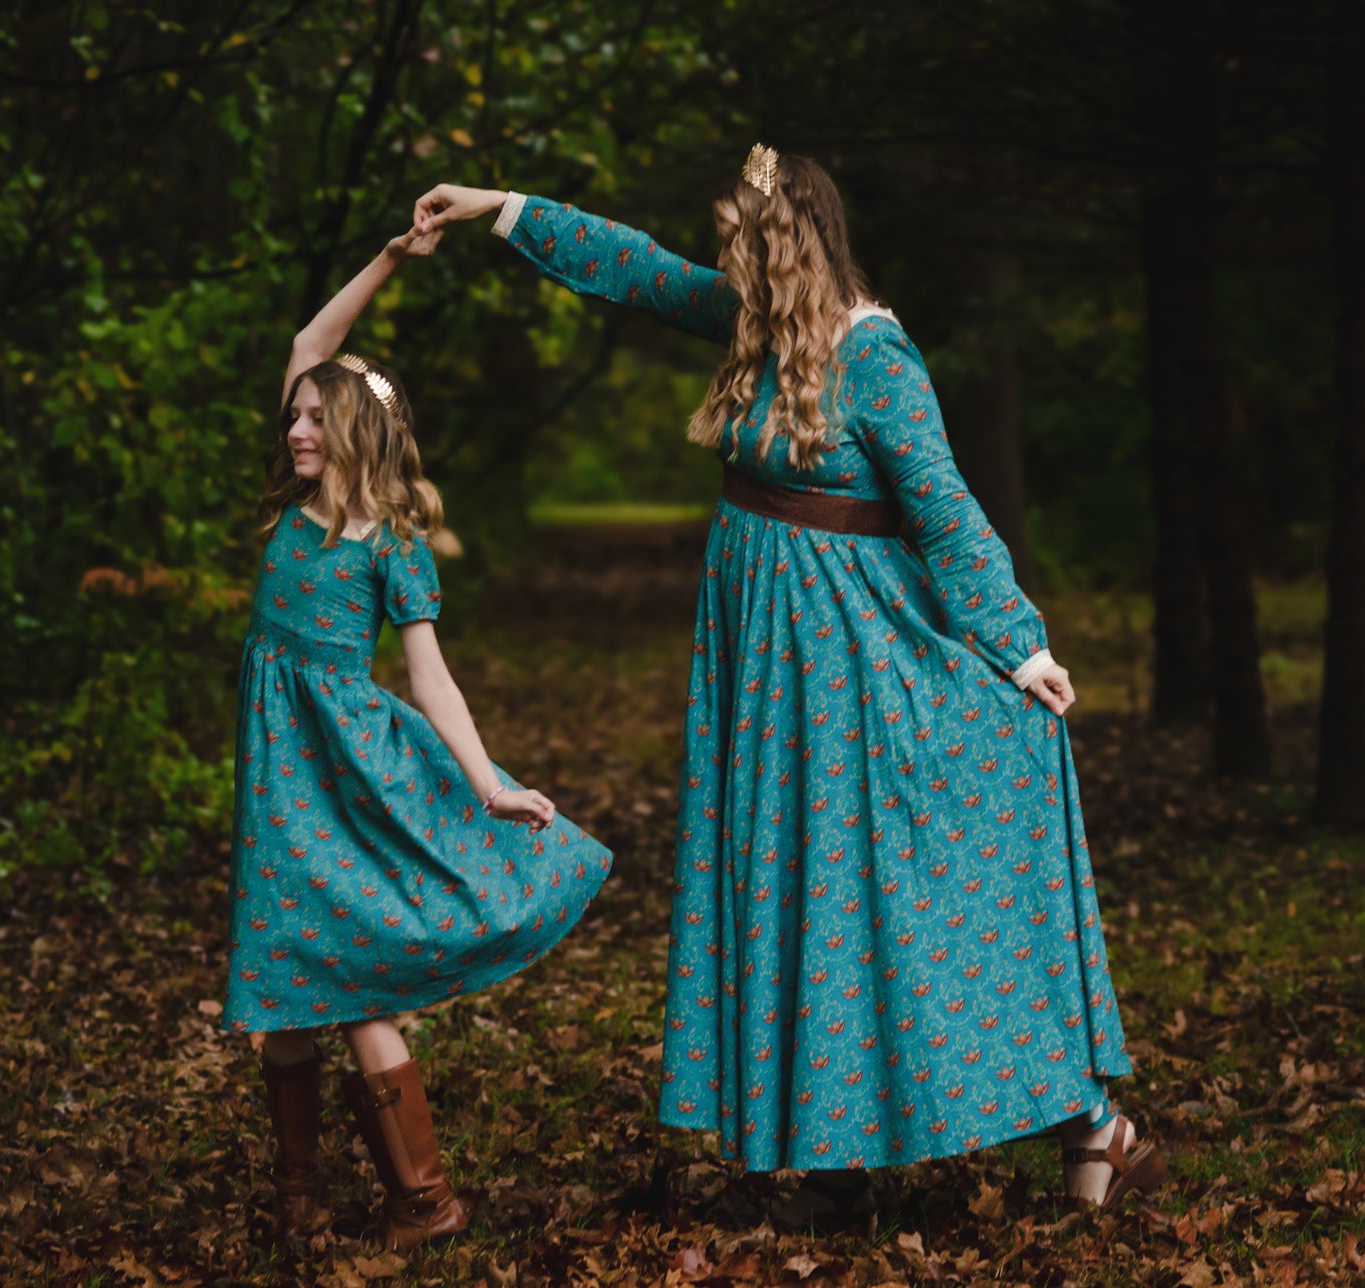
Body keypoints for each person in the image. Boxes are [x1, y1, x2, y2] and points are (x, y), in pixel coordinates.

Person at [411, 147, 1163, 1224]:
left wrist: (1019, 646)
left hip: (855, 670)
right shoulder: (753, 324)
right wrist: (502, 208)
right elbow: (631, 266)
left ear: (792, 240)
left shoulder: (877, 357)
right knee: (798, 896)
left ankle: (1090, 1124)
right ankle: (830, 1160)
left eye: (741, 238)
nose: (724, 257)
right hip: (770, 681)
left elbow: (945, 511)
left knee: (882, 901)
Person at [224, 224, 614, 1251]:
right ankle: (297, 1197)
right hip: (279, 771)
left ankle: (423, 1199)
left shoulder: (388, 546)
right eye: (296, 414)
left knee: (341, 975)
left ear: (355, 432)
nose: (298, 428)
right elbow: (314, 334)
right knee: (280, 979)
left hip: (350, 773)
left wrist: (485, 784)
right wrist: (392, 259)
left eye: (316, 418)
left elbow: (429, 677)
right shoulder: (291, 513)